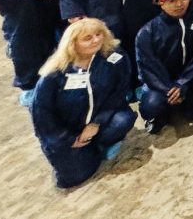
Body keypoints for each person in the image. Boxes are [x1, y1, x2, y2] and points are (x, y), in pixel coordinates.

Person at [30, 19, 135, 188]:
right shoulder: (54, 74)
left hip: (98, 121)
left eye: (99, 34)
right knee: (74, 178)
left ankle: (101, 144)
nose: (96, 40)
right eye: (87, 38)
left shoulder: (115, 56)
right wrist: (67, 139)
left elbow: (120, 91)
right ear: (72, 44)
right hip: (68, 131)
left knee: (123, 120)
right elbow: (42, 114)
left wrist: (97, 122)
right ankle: (86, 151)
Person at [135, 0, 193, 134]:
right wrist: (169, 89)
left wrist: (183, 82)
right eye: (172, 0)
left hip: (192, 77)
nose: (179, 4)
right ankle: (159, 115)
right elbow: (148, 68)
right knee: (151, 106)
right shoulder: (147, 32)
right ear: (161, 3)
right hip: (163, 83)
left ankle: (180, 103)